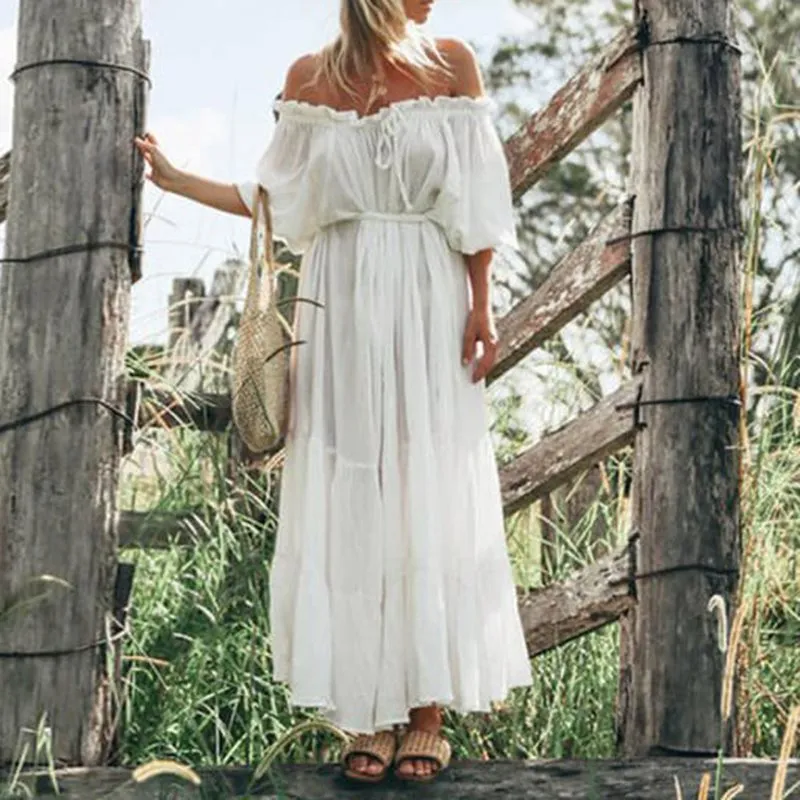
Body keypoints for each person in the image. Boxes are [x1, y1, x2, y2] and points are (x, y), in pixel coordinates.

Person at [134, 0, 533, 785]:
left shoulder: (451, 63)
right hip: (340, 300)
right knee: (353, 492)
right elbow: (275, 201)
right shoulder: (308, 79)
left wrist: (482, 306)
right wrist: (176, 180)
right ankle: (365, 713)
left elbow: (477, 199)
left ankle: (426, 711)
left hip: (427, 296)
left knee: (425, 484)